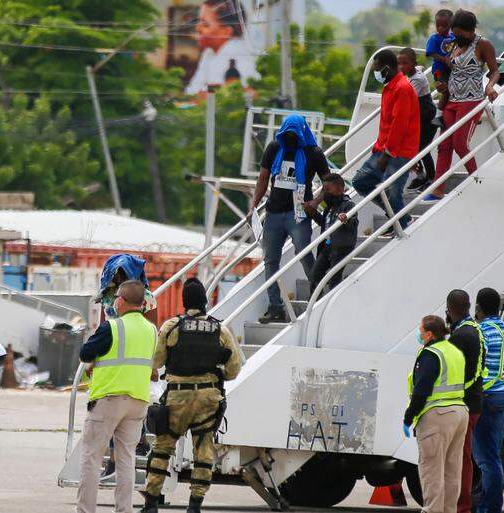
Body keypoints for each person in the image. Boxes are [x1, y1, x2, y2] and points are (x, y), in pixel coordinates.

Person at [140, 278, 243, 513]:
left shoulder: (171, 327)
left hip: (177, 397)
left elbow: (156, 361)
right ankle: (195, 506)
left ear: (184, 302)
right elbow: (234, 369)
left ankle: (151, 504)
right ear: (205, 302)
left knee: (162, 449)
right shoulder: (220, 330)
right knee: (203, 452)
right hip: (208, 398)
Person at [76, 280, 158, 513]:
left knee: (91, 458)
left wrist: (95, 362)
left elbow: (85, 353)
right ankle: (124, 509)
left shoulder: (111, 327)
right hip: (138, 402)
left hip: (109, 399)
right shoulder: (152, 330)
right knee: (126, 460)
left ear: (120, 300)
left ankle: (85, 510)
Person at [252, 114, 332, 324]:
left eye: (293, 135)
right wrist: (253, 205)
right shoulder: (274, 148)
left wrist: (315, 202)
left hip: (299, 213)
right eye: (286, 135)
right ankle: (276, 306)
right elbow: (263, 178)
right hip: (274, 212)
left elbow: (330, 182)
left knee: (303, 253)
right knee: (270, 260)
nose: (289, 139)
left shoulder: (313, 153)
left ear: (301, 133)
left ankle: (319, 293)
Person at [423, 10, 500, 203]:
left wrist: (490, 86)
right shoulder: (454, 44)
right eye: (454, 33)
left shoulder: (482, 44)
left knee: (460, 143)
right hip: (452, 100)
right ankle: (437, 188)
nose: (456, 37)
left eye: (460, 34)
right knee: (444, 145)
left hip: (471, 99)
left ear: (471, 30)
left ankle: (477, 182)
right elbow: (445, 66)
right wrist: (441, 83)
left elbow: (495, 71)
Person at [404, 315, 469, 513]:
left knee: (431, 470)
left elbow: (422, 389)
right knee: (452, 471)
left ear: (429, 334)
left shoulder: (431, 354)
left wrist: (409, 416)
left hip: (438, 415)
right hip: (459, 413)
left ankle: (432, 511)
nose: (419, 333)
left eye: (421, 330)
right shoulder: (454, 351)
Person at [351, 48, 420, 229]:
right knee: (360, 182)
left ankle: (403, 222)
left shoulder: (402, 88)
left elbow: (400, 125)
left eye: (377, 68)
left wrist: (387, 154)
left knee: (393, 192)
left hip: (398, 152)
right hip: (383, 149)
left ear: (387, 68)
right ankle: (396, 215)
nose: (376, 72)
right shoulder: (389, 87)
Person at [471, 288, 504, 513]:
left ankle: (490, 508)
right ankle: (491, 504)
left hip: (487, 396)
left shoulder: (480, 332)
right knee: (494, 455)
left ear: (478, 307)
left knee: (487, 459)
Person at [445, 291, 484, 513]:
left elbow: (456, 373)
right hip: (475, 401)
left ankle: (461, 506)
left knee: (459, 458)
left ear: (450, 309)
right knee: (463, 456)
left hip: (464, 404)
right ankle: (461, 504)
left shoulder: (460, 337)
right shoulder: (474, 329)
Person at [185, 0, 260, 96]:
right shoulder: (209, 52)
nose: (198, 28)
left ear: (226, 31)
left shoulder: (237, 53)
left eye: (205, 24)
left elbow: (238, 94)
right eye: (199, 21)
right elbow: (192, 91)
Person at [307, 173, 358, 294]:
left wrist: (346, 219)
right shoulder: (329, 207)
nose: (325, 193)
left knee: (334, 278)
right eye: (324, 190)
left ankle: (331, 304)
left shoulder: (348, 205)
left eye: (328, 190)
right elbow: (324, 224)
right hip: (327, 247)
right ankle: (314, 303)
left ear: (340, 188)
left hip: (341, 248)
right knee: (314, 275)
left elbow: (354, 221)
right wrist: (312, 213)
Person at [401, 48, 439, 191]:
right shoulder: (412, 73)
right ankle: (421, 175)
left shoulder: (417, 79)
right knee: (411, 147)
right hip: (418, 116)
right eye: (400, 64)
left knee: (422, 148)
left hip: (427, 116)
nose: (402, 67)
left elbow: (408, 98)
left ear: (412, 63)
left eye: (405, 64)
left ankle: (431, 177)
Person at [425, 9, 456, 124]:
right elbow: (431, 53)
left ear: (451, 25)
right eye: (438, 26)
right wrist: (444, 59)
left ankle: (463, 113)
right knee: (445, 89)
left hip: (450, 69)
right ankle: (438, 115)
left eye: (444, 26)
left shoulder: (454, 37)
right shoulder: (434, 38)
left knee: (457, 89)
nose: (440, 28)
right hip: (439, 70)